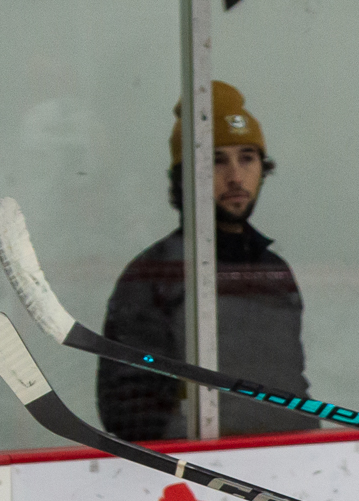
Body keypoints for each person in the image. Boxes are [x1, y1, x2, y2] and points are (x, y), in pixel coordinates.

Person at [97, 81, 318, 441]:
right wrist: (200, 457)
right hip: (197, 469)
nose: (235, 177)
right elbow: (129, 410)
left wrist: (307, 449)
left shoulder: (274, 271)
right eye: (216, 160)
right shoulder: (155, 275)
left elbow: (291, 387)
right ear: (184, 174)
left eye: (247, 158)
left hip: (287, 465)